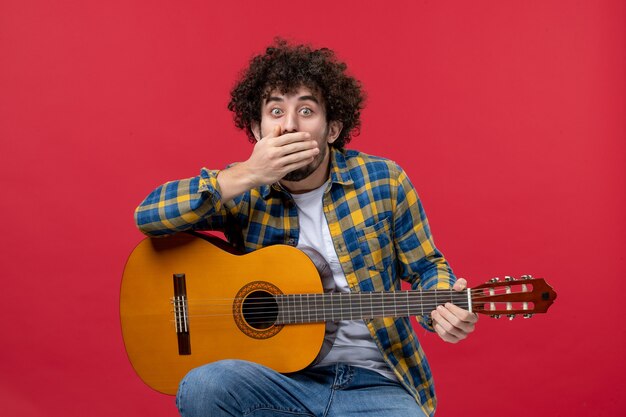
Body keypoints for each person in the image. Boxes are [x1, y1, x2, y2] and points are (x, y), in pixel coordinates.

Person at [134, 39, 478, 417]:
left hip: (376, 383)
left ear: (332, 129)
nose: (290, 126)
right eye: (276, 111)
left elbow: (428, 266)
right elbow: (149, 216)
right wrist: (246, 174)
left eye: (306, 110)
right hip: (279, 380)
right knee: (204, 386)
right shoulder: (243, 191)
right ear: (257, 130)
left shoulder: (384, 181)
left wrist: (443, 308)